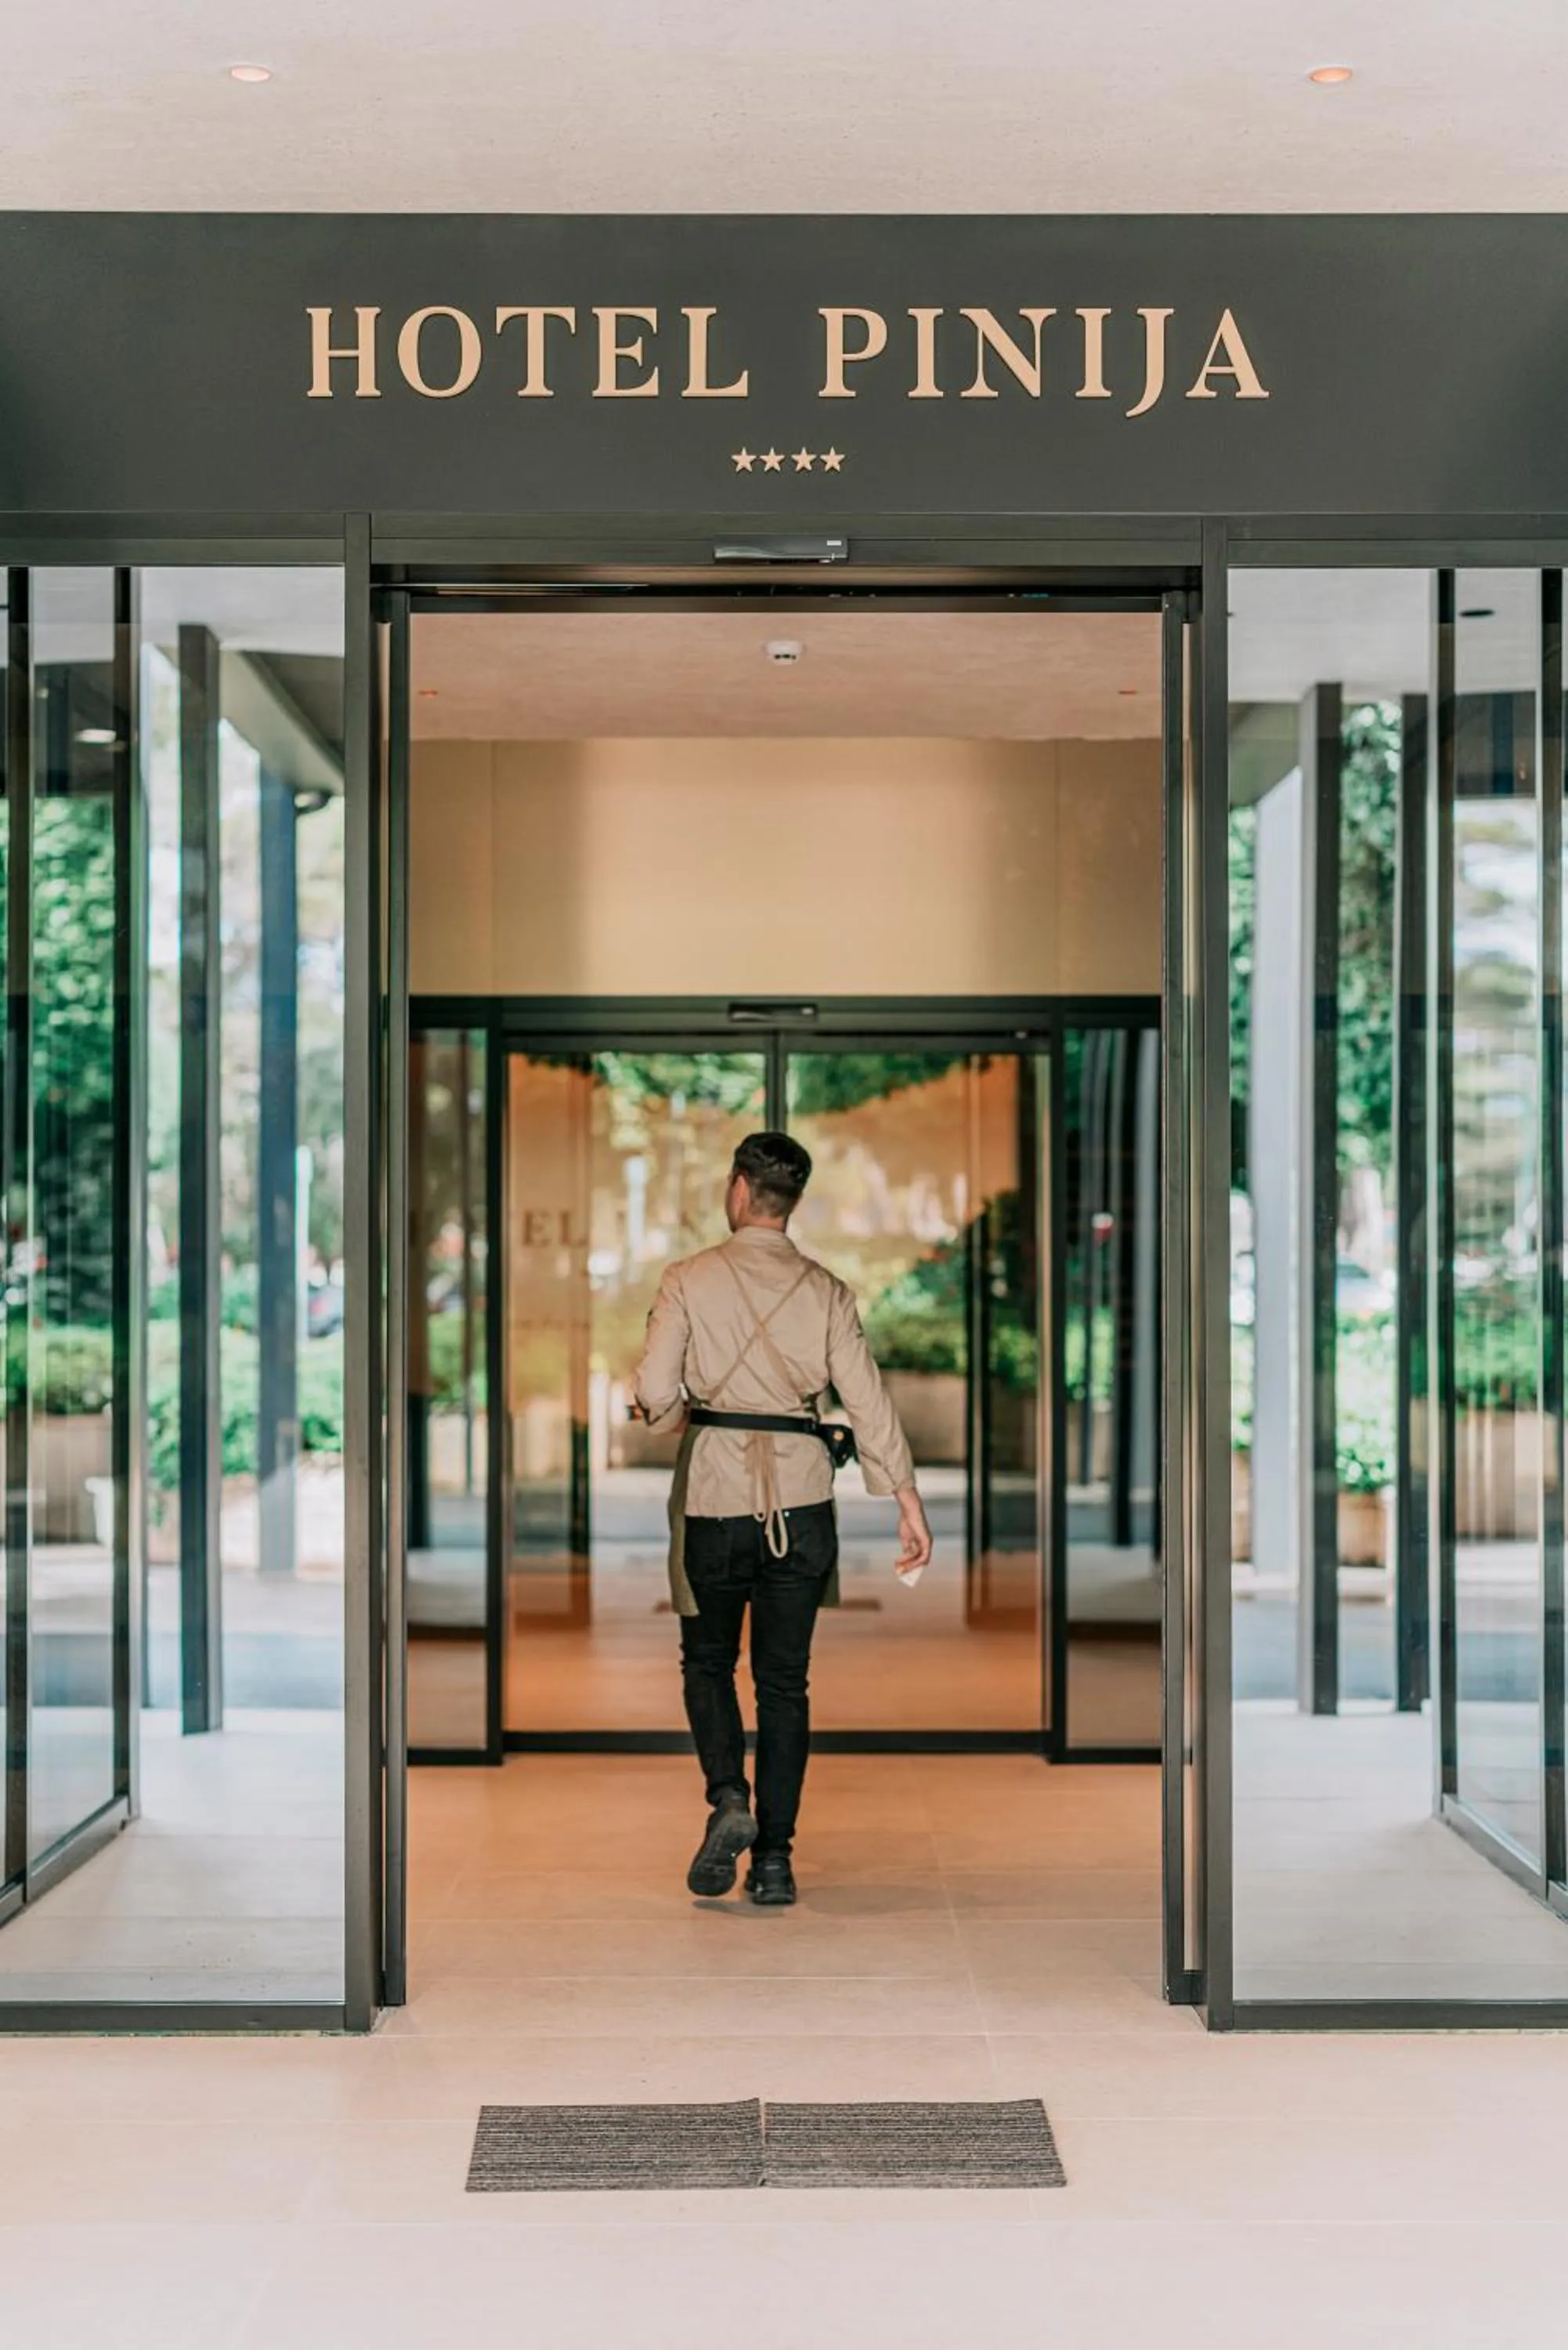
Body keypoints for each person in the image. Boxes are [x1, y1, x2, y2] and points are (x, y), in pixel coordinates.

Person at [633, 1130, 933, 1907]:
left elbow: (657, 1391)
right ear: (789, 1202)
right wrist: (905, 1500)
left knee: (707, 1663)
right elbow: (866, 1400)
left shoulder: (688, 1279)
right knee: (784, 1683)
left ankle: (728, 1797)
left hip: (714, 1500)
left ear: (739, 1190)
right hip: (801, 1506)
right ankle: (773, 1861)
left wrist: (665, 1411)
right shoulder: (827, 1291)